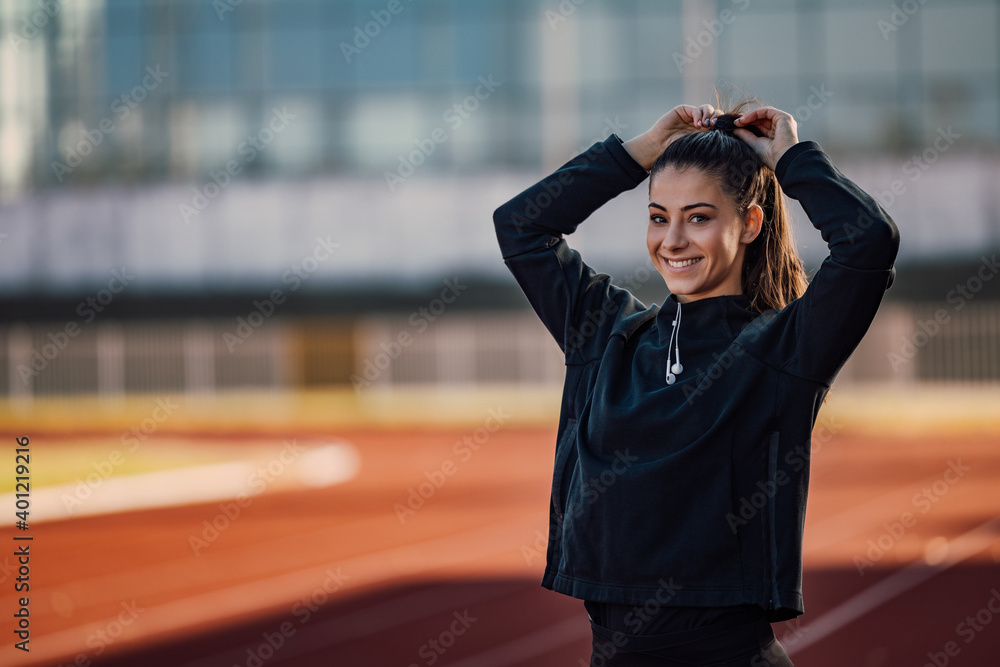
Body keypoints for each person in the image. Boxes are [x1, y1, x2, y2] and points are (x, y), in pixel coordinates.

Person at [492, 101, 900, 666]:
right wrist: (638, 153)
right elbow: (521, 226)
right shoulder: (605, 334)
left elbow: (869, 243)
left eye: (699, 217)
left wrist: (791, 157)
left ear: (750, 223)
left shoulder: (782, 350)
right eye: (659, 217)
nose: (673, 240)